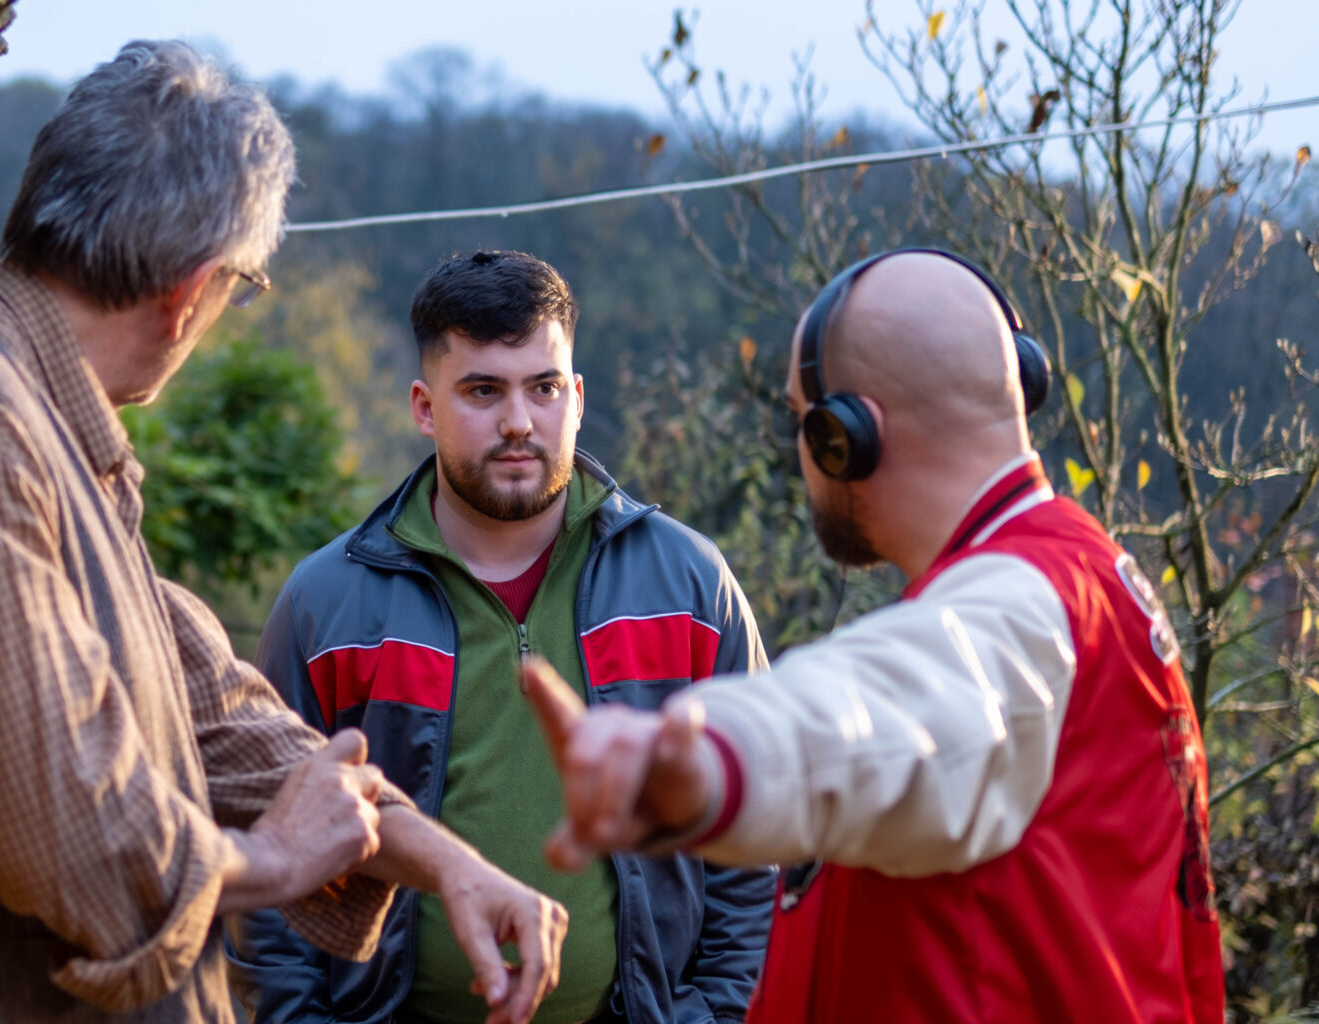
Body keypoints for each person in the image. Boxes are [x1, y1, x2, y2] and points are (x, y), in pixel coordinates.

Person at [0, 42, 566, 1024]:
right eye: (241, 288)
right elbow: (79, 831)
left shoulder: (40, 428)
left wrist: (451, 865)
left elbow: (218, 723)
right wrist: (275, 857)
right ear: (188, 291)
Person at [521, 249, 1226, 1023]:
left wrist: (701, 760)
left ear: (845, 438)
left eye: (803, 420)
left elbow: (888, 715)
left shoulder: (1022, 606)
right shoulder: (1080, 572)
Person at [231, 250, 774, 1024]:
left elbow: (755, 833)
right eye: (483, 390)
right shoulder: (328, 605)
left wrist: (716, 1013)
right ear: (425, 407)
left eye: (543, 388)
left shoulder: (687, 585)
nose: (519, 422)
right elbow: (268, 849)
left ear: (576, 398)